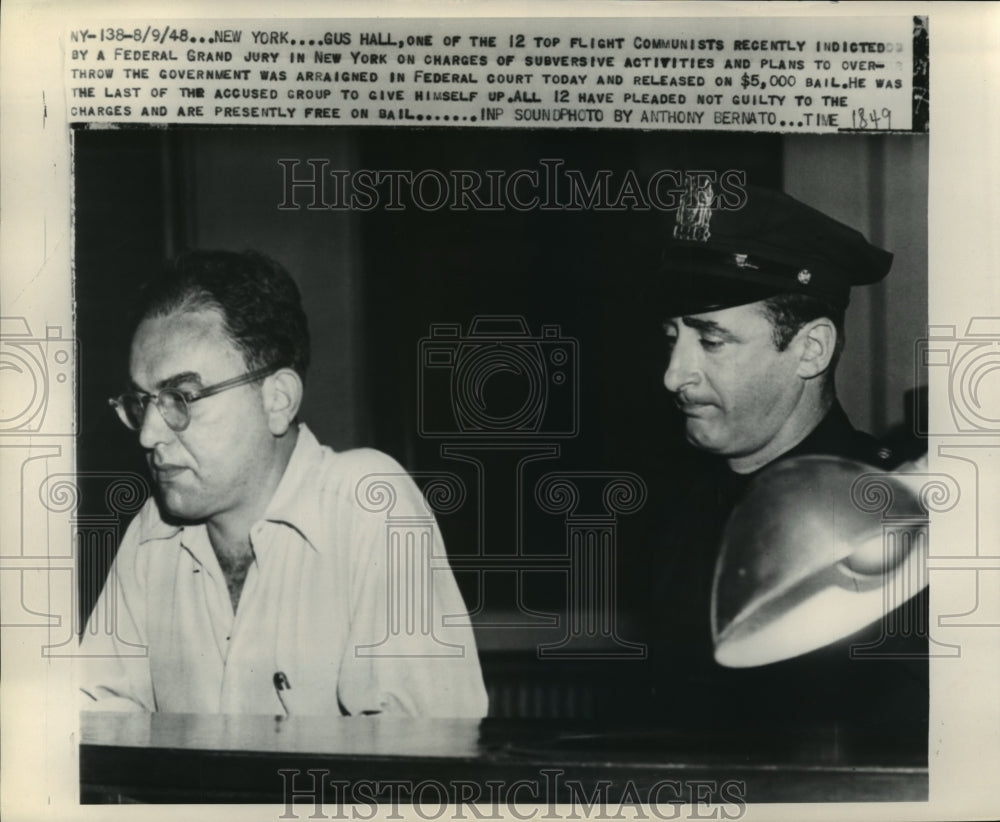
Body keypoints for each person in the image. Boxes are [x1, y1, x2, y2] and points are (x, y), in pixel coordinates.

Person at [79, 250, 488, 717]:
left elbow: (421, 759)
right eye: (141, 402)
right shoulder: (152, 531)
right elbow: (95, 716)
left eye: (182, 398)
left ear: (278, 399)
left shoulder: (369, 503)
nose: (149, 434)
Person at [643, 184, 928, 739]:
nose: (674, 376)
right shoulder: (681, 509)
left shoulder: (890, 519)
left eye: (712, 341)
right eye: (672, 339)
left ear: (810, 349)